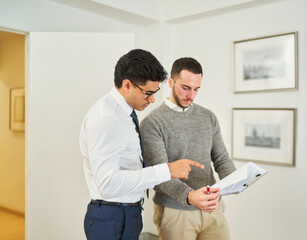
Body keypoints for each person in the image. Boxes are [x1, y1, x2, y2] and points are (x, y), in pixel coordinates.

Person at [79, 49, 204, 240]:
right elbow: (107, 184)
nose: (152, 99)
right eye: (148, 93)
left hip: (126, 213)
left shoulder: (125, 112)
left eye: (155, 93)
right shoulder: (107, 118)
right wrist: (167, 170)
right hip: (112, 216)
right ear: (127, 85)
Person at [140, 57, 236, 240]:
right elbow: (158, 174)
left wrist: (235, 180)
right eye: (185, 88)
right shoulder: (152, 123)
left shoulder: (208, 117)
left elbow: (221, 158)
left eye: (196, 89)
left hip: (212, 209)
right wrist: (190, 196)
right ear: (170, 82)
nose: (191, 95)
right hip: (175, 212)